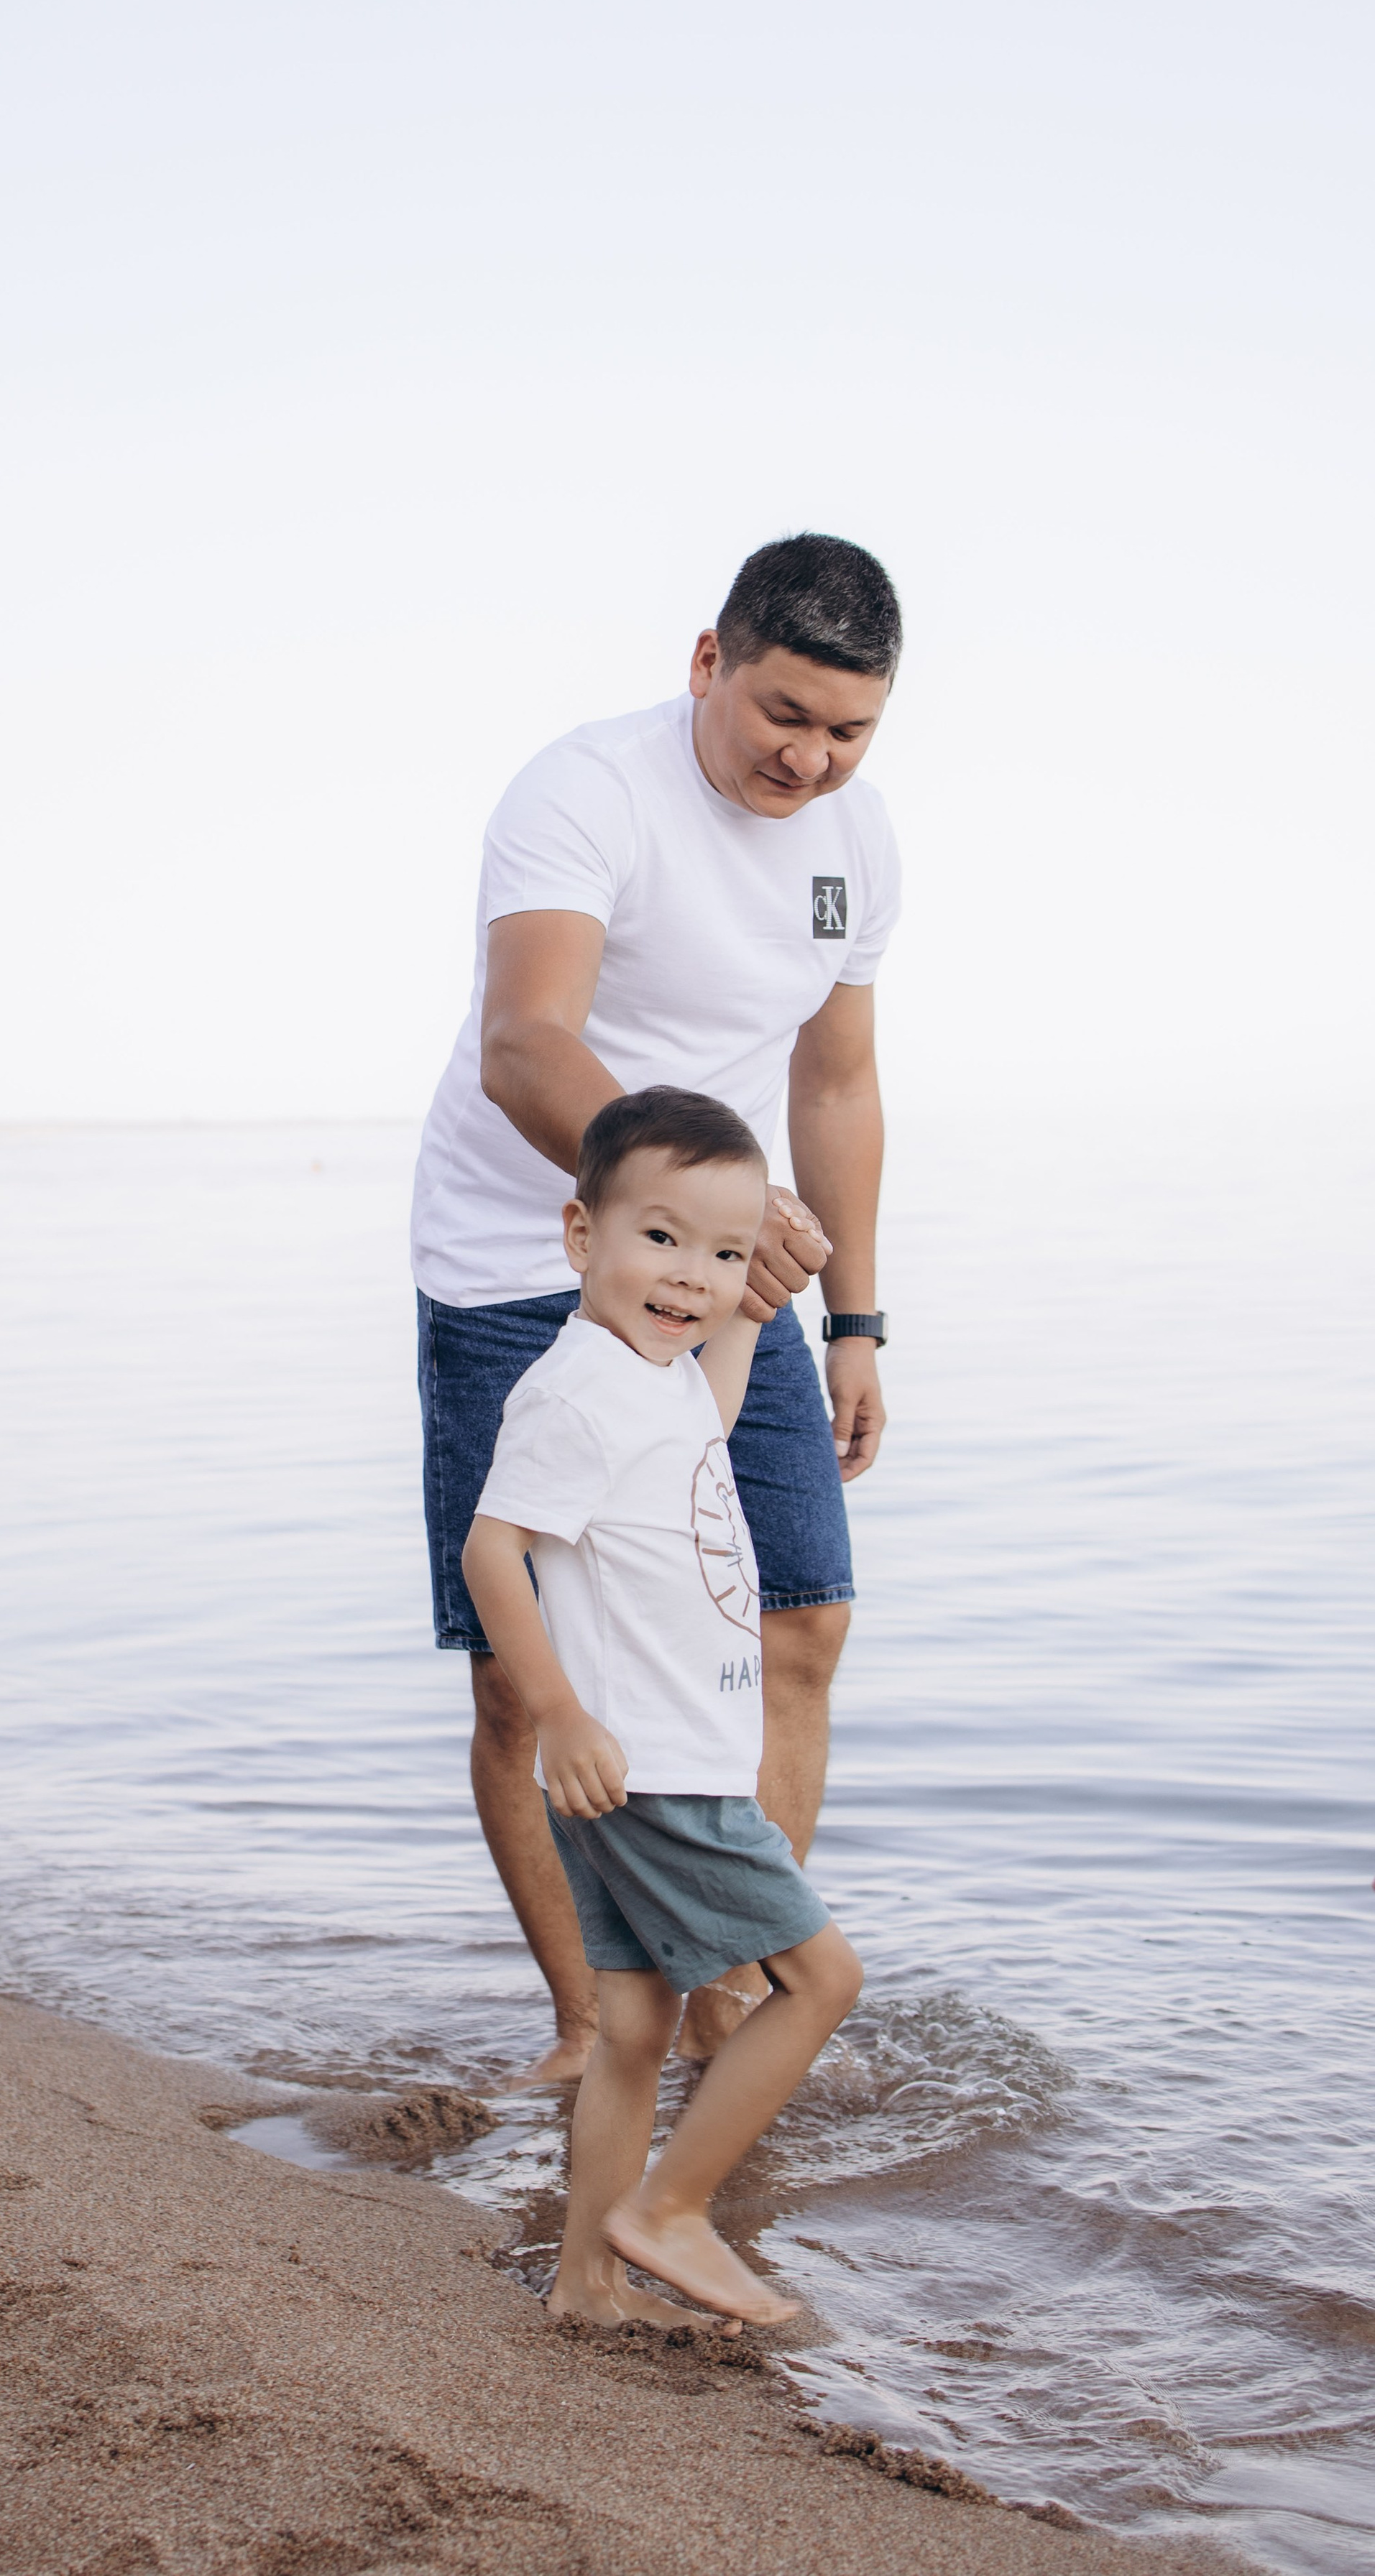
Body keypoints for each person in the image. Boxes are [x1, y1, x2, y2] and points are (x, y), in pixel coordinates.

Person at [413, 532, 899, 2080]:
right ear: (706, 663)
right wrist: (697, 1213)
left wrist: (858, 1323)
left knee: (797, 1618)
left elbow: (832, 1077)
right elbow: (524, 1043)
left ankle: (726, 1995)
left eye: (847, 730)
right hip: (517, 1262)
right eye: (781, 713)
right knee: (522, 1674)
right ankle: (588, 2023)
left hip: (725, 1276)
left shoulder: (854, 844)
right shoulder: (585, 794)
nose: (809, 757)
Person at [462, 1087, 863, 2327]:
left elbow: (713, 1415)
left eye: (725, 1253)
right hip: (653, 1774)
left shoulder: (660, 1377)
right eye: (663, 1239)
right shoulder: (576, 1392)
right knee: (822, 1981)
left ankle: (587, 2281)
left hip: (654, 1768)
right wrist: (562, 1712)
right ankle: (670, 2208)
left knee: (633, 2024)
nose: (693, 1278)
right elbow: (492, 1551)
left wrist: (760, 1301)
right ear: (582, 1235)